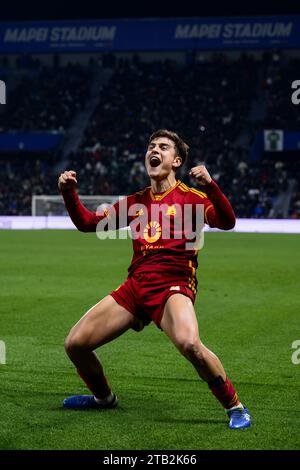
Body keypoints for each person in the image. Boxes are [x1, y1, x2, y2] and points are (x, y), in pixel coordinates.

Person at [58, 129, 251, 430]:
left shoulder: (193, 199)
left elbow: (227, 222)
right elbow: (88, 223)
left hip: (172, 286)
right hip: (136, 286)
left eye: (162, 146)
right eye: (150, 146)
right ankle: (103, 398)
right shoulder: (136, 202)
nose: (154, 150)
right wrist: (69, 193)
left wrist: (211, 186)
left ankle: (235, 406)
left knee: (190, 345)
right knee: (75, 344)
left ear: (176, 161)